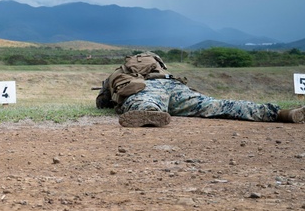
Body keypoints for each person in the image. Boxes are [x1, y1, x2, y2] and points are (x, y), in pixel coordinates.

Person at [96, 51, 304, 127]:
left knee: (143, 103)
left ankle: (151, 114)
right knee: (218, 105)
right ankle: (280, 113)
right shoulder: (162, 69)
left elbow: (102, 102)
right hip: (175, 87)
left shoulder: (120, 72)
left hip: (147, 88)